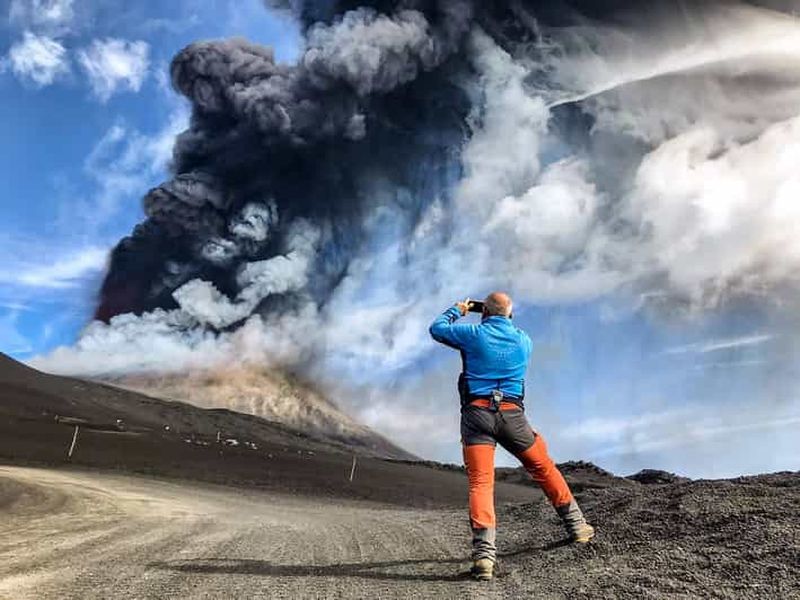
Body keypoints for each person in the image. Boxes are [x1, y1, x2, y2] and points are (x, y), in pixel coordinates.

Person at [429, 292, 594, 581]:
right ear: (510, 315)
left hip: (477, 416)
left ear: (484, 312)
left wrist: (458, 310)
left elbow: (437, 328)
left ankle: (484, 557)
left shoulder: (473, 334)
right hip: (512, 417)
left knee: (481, 483)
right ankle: (578, 526)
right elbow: (505, 330)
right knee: (543, 467)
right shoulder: (524, 341)